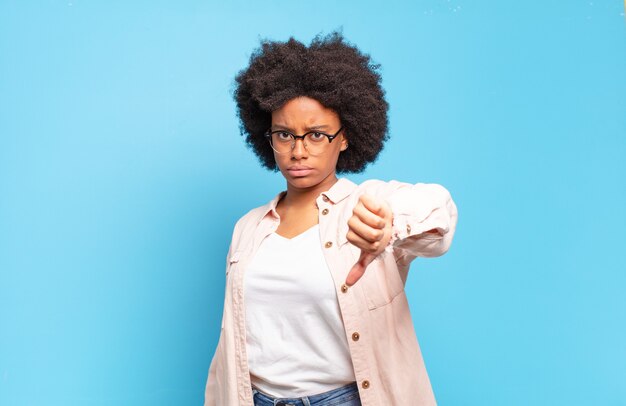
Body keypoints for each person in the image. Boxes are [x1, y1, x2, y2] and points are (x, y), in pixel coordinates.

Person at [204, 31, 458, 406]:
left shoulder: (367, 205)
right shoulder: (249, 227)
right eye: (285, 134)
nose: (298, 150)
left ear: (344, 137)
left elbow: (439, 212)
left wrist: (391, 225)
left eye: (317, 135)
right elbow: (231, 348)